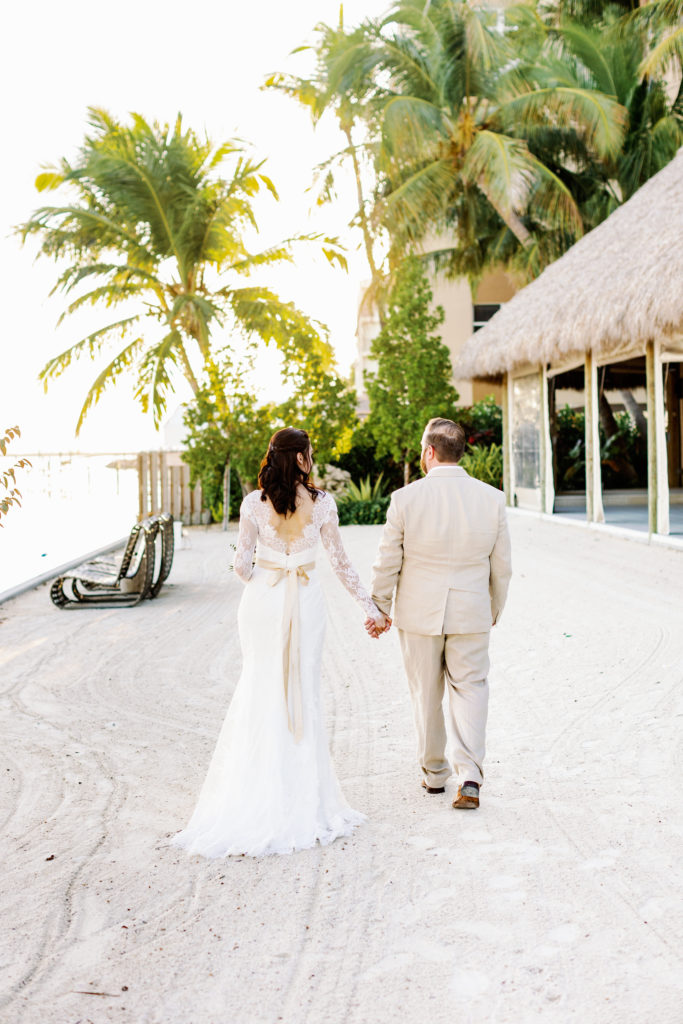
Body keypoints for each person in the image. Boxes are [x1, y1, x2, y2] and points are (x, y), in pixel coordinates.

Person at [171, 427, 388, 858]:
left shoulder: (253, 502)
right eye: (310, 452)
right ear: (303, 458)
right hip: (305, 602)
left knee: (260, 688)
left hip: (262, 602)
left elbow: (240, 566)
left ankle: (256, 789)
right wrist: (371, 608)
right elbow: (341, 565)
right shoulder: (324, 503)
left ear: (274, 457)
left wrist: (264, 578)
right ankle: (303, 795)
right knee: (302, 691)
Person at [369, 417, 512, 810]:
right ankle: (469, 775)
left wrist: (379, 608)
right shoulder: (492, 498)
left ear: (429, 452)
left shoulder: (405, 499)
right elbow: (502, 566)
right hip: (471, 612)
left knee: (425, 694)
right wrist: (493, 607)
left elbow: (387, 561)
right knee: (472, 689)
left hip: (419, 615)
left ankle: (434, 775)